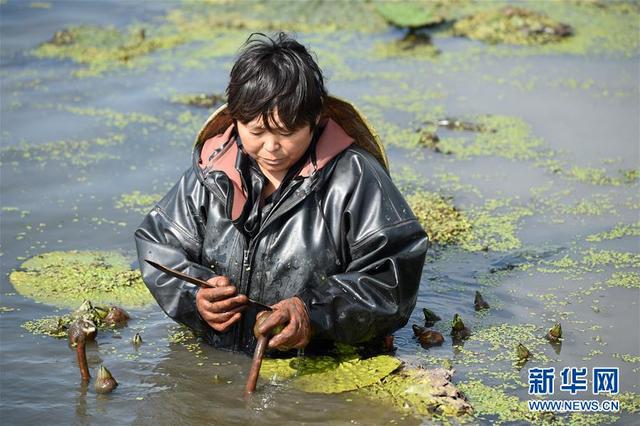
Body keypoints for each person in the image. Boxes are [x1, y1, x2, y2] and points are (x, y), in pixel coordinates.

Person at [134, 32, 428, 355]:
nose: (272, 147)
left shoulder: (354, 178)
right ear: (236, 120)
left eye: (287, 132)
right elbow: (157, 244)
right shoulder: (212, 172)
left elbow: (393, 276)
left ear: (315, 120)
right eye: (256, 131)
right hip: (217, 358)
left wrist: (313, 314)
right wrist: (194, 295)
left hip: (316, 368)